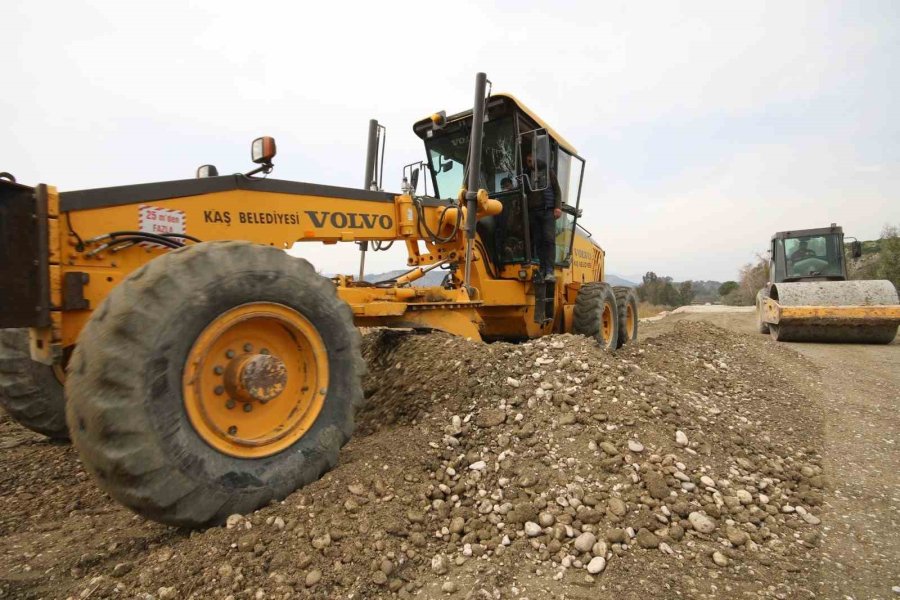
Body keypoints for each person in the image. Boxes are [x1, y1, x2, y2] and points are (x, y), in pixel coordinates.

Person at [523, 152, 562, 281]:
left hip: (548, 211)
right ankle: (542, 268)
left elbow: (557, 190)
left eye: (531, 159)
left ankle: (550, 270)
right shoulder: (527, 175)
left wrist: (557, 207)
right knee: (538, 241)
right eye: (527, 160)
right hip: (534, 212)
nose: (530, 162)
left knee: (549, 240)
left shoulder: (547, 171)